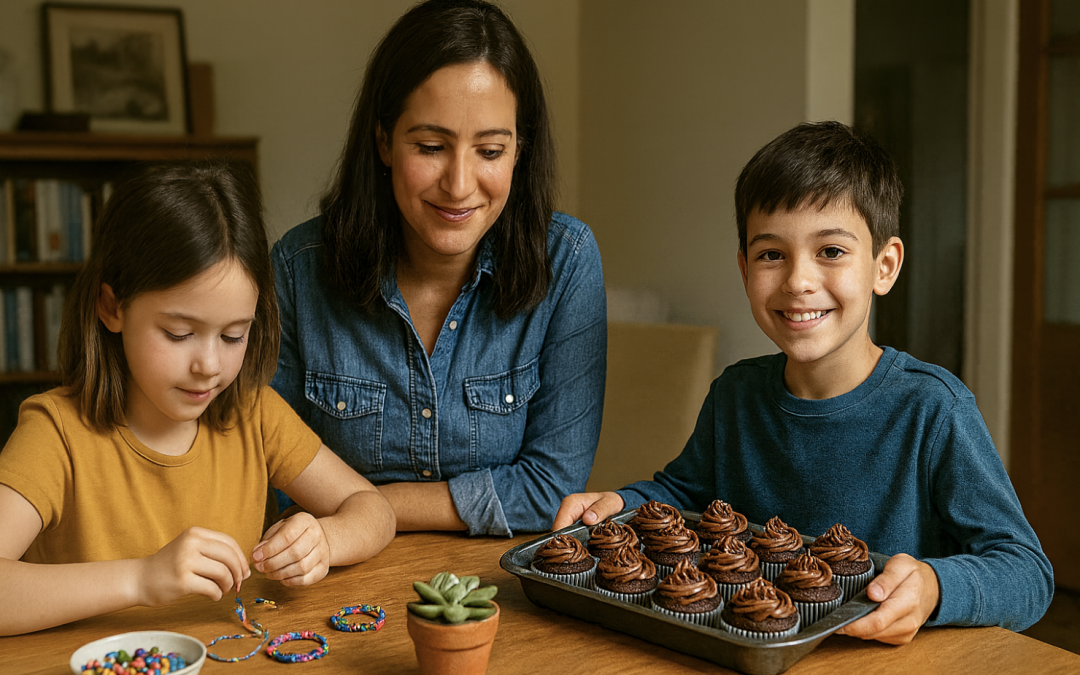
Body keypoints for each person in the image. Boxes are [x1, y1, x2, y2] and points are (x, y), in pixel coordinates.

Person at [553, 121, 1053, 644]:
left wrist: (935, 585)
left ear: (884, 267)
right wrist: (623, 503)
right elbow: (681, 494)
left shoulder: (932, 409)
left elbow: (1026, 572)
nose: (798, 281)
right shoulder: (736, 396)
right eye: (772, 254)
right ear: (745, 271)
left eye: (831, 251)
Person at [0, 162, 396, 636]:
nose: (208, 365)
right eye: (179, 333)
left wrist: (325, 541)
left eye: (233, 336)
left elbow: (373, 510)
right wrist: (141, 578)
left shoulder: (255, 414)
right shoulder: (56, 432)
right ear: (112, 307)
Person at [271, 0, 606, 536]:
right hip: (331, 582)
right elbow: (266, 480)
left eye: (491, 151)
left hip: (497, 590)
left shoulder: (566, 261)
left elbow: (550, 489)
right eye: (431, 146)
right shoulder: (297, 270)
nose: (458, 184)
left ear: (521, 148)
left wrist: (365, 511)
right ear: (383, 140)